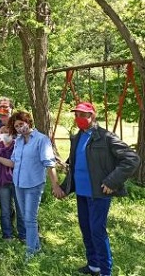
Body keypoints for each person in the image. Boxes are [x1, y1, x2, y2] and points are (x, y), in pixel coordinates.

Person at [58, 102, 140, 276]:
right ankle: (93, 265)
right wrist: (66, 187)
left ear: (92, 116)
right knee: (86, 228)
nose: (79, 118)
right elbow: (74, 165)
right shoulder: (77, 137)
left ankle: (105, 271)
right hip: (81, 192)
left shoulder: (105, 137)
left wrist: (112, 181)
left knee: (97, 231)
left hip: (98, 193)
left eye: (83, 115)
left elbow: (132, 159)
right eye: (77, 115)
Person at [0, 110, 62, 257]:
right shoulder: (19, 142)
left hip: (34, 184)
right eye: (16, 126)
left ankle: (31, 251)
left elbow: (49, 164)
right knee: (25, 217)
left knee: (30, 218)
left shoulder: (41, 140)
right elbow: (13, 163)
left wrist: (55, 185)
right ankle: (35, 248)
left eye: (21, 124)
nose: (20, 128)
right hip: (18, 184)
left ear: (28, 122)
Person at [0, 125, 25, 241]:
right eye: (2, 132)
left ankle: (23, 234)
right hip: (2, 181)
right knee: (5, 209)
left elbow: (13, 163)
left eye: (7, 131)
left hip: (17, 181)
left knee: (20, 209)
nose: (4, 133)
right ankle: (7, 234)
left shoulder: (17, 145)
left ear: (12, 132)